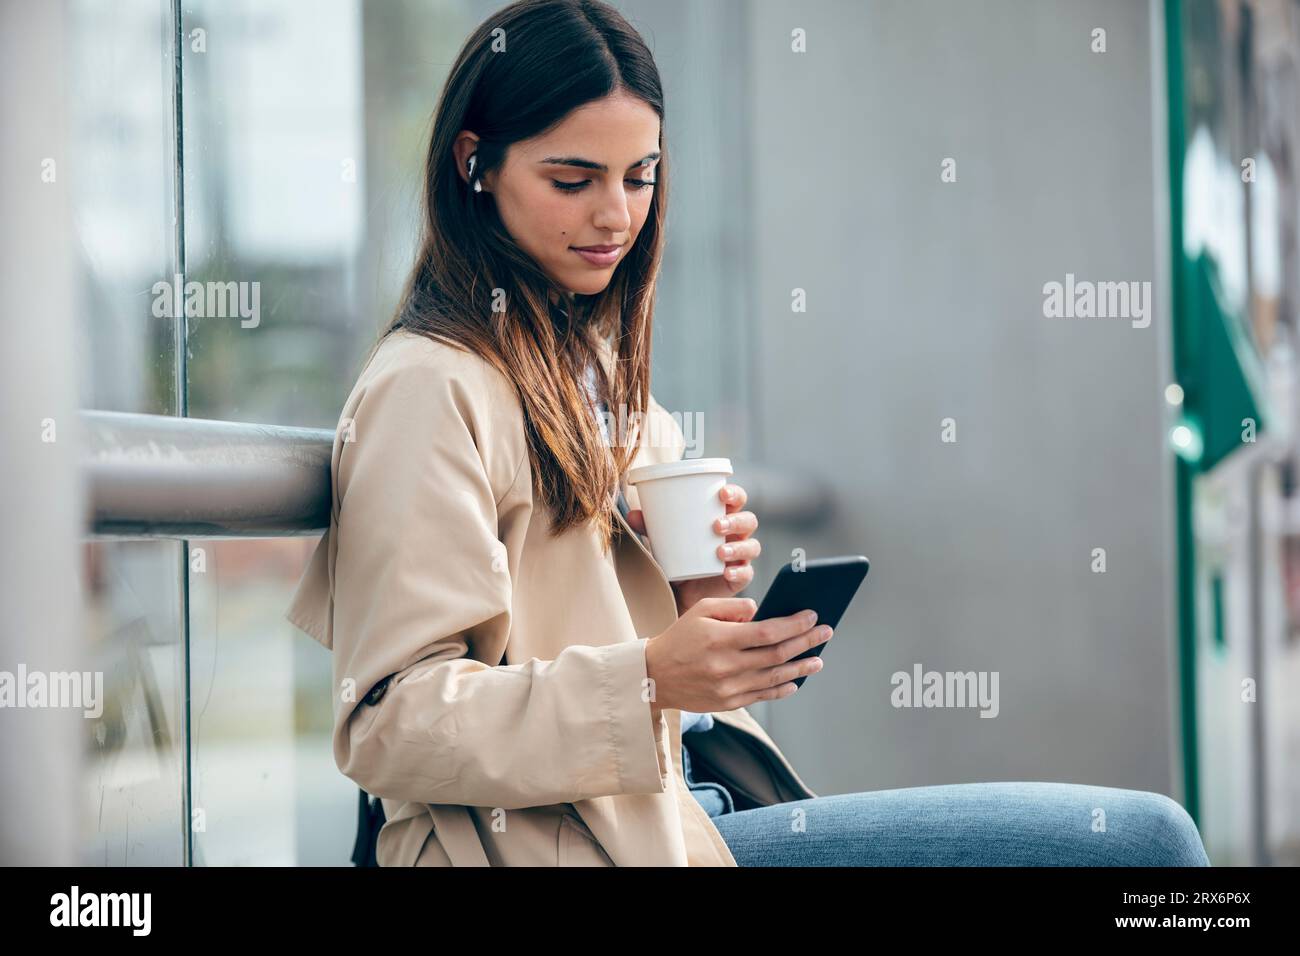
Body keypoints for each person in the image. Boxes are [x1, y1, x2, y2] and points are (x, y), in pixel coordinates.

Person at [285, 0, 1210, 867]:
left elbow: (610, 632)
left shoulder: (590, 371)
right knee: (1147, 845)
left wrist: (694, 592)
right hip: (579, 842)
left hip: (688, 808)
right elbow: (388, 722)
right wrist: (648, 677)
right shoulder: (428, 388)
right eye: (573, 179)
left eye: (641, 176)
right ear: (473, 162)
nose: (617, 215)